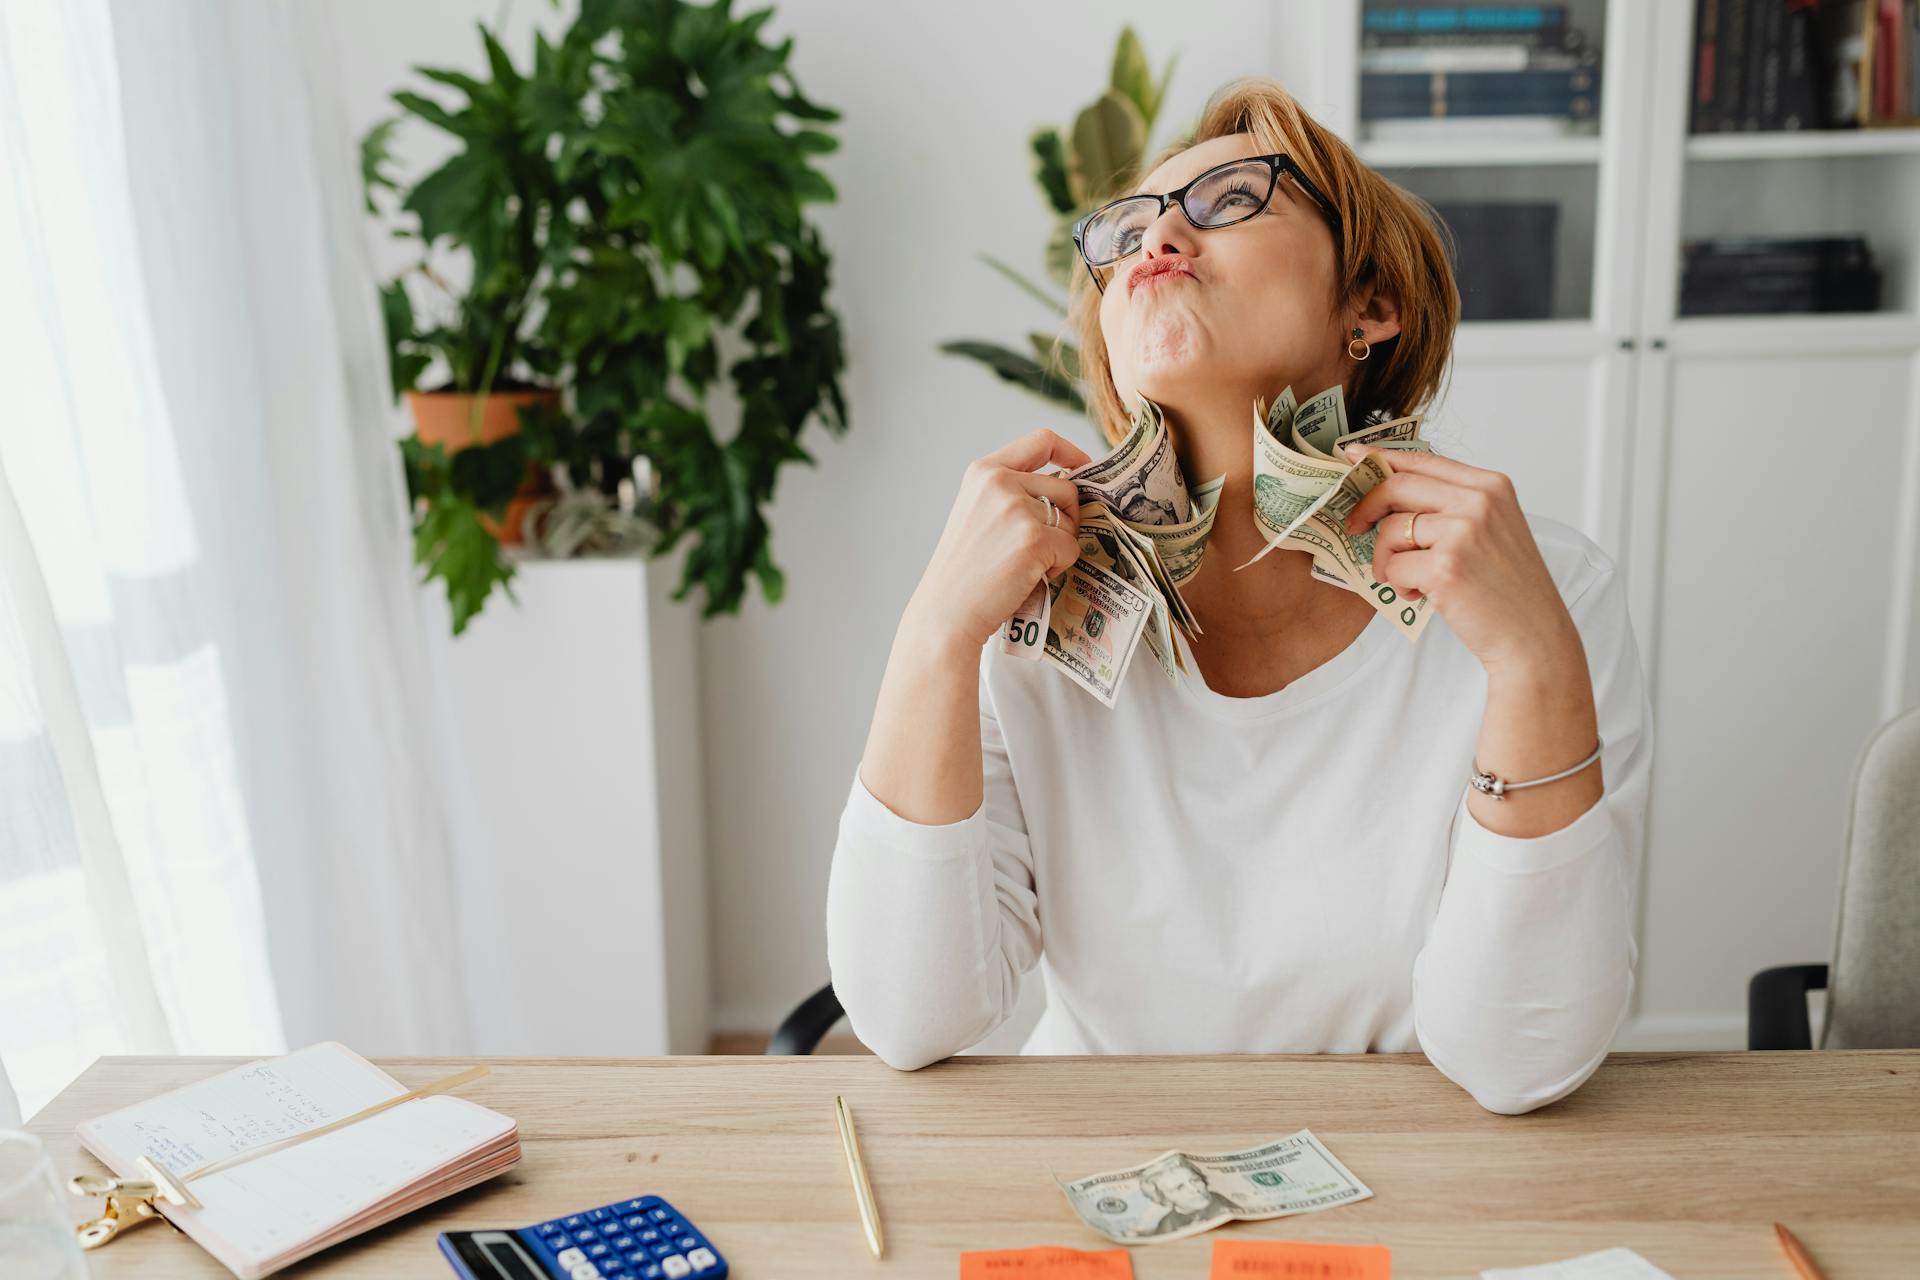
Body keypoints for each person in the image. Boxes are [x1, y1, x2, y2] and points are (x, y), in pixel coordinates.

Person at [825, 77, 1653, 1116]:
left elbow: (1520, 1059)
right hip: (1090, 1158)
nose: (1157, 234)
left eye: (1228, 200)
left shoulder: (1548, 593)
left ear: (1371, 306)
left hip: (1412, 1170)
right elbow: (909, 1017)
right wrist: (934, 634)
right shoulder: (1019, 609)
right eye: (1126, 227)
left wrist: (1534, 661)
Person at [1137, 1158, 1242, 1236]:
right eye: (1179, 1187)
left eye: (1195, 1180)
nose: (1194, 1189)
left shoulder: (1220, 1200)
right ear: (1164, 1199)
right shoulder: (1167, 1224)